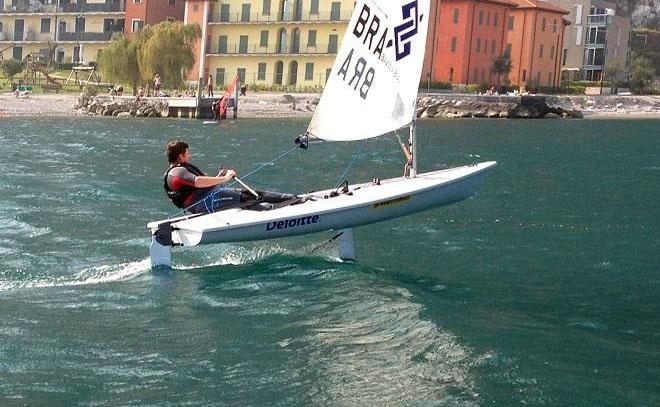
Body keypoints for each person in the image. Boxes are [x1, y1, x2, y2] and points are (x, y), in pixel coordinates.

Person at [164, 140, 298, 214]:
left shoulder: (179, 170)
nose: (189, 155)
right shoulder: (177, 172)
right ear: (180, 156)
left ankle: (279, 209)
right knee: (250, 196)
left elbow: (198, 187)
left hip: (204, 201)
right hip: (204, 203)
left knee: (247, 202)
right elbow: (198, 182)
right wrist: (225, 178)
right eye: (187, 153)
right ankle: (292, 200)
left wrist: (217, 177)